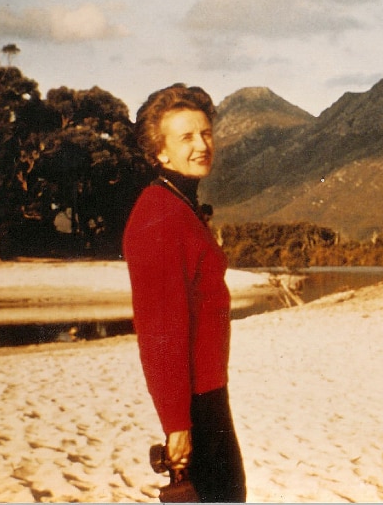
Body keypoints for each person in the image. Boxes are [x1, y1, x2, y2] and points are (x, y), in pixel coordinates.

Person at [122, 84, 246, 502]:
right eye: (187, 137)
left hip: (209, 390)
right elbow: (160, 334)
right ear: (160, 153)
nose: (202, 145)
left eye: (206, 133)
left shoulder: (180, 207)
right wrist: (177, 424)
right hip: (193, 401)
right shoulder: (158, 216)